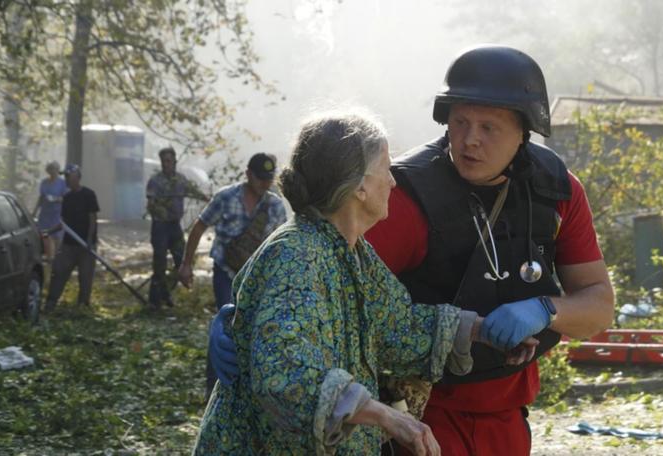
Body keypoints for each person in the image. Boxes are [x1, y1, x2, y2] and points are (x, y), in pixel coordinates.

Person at [210, 45, 615, 455]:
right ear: (359, 186)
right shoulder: (392, 205)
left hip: (505, 415)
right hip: (421, 416)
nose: (470, 140)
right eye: (460, 122)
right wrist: (241, 319)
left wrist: (503, 322)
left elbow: (395, 322)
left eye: (488, 128)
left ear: (524, 132)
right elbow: (290, 339)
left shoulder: (556, 190)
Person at [193, 111, 533, 455]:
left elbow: (398, 326)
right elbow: (286, 377)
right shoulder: (298, 255)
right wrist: (386, 416)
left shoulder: (352, 252)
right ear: (359, 186)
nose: (394, 182)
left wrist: (482, 330)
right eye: (386, 168)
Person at [179, 152, 287, 397]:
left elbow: (281, 245)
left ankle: (248, 387)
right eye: (260, 178)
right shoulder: (226, 197)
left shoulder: (275, 206)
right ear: (248, 174)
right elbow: (198, 228)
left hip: (256, 277)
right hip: (225, 273)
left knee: (257, 327)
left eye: (269, 179)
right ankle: (214, 387)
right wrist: (186, 264)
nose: (265, 183)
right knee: (225, 324)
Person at [145, 146, 208, 309]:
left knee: (182, 260)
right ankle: (154, 300)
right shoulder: (155, 181)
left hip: (174, 226)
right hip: (160, 226)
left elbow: (193, 191)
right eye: (164, 161)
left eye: (169, 161)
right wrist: (162, 209)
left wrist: (208, 199)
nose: (167, 164)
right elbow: (150, 205)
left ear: (174, 162)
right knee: (159, 264)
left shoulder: (180, 180)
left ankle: (166, 292)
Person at [44, 164, 101, 310]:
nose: (66, 179)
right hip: (69, 244)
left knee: (85, 277)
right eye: (66, 177)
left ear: (77, 177)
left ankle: (82, 306)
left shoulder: (89, 194)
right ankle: (50, 303)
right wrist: (48, 231)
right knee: (59, 272)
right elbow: (63, 223)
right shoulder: (67, 198)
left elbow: (92, 218)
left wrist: (89, 239)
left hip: (86, 245)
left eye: (69, 176)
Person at [32, 160, 68, 261]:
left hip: (57, 213)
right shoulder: (44, 182)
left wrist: (57, 199)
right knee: (45, 235)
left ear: (57, 170)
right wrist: (35, 211)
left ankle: (56, 258)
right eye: (50, 169)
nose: (52, 171)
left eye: (54, 169)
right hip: (45, 213)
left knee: (56, 237)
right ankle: (49, 257)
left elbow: (67, 198)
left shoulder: (62, 183)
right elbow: (41, 197)